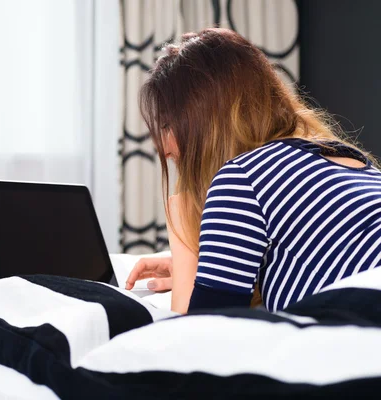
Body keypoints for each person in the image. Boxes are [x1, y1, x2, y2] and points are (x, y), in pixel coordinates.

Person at [125, 28, 381, 314]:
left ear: (204, 121)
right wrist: (208, 270)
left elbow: (200, 334)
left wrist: (182, 228)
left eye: (166, 126)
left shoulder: (242, 177)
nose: (162, 148)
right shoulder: (346, 158)